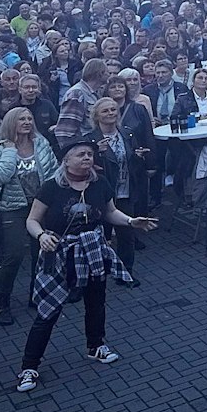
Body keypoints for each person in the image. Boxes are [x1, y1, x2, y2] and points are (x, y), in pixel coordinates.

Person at [13, 140, 155, 393]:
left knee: (96, 301)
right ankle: (29, 366)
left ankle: (95, 346)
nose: (87, 158)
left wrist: (132, 221)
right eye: (80, 154)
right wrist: (41, 236)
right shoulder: (51, 187)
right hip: (60, 252)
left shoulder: (100, 183)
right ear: (66, 160)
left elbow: (110, 212)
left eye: (90, 154)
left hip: (92, 249)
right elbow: (32, 220)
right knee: (48, 311)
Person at [0, 107, 55, 325]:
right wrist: (10, 150)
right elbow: (1, 175)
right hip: (13, 208)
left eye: (29, 118)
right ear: (10, 123)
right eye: (21, 119)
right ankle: (2, 303)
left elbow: (53, 172)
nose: (26, 122)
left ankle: (35, 296)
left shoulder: (41, 143)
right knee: (14, 255)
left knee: (41, 254)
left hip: (40, 206)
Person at [87, 96, 152, 285]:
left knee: (126, 235)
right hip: (101, 196)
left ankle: (126, 273)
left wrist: (138, 157)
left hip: (125, 191)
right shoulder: (90, 139)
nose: (110, 114)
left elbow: (133, 162)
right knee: (100, 236)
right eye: (105, 111)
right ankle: (96, 272)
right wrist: (96, 154)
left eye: (113, 110)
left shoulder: (127, 134)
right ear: (96, 115)